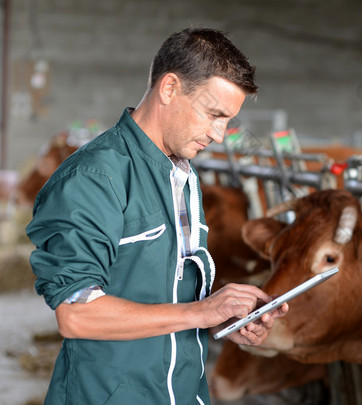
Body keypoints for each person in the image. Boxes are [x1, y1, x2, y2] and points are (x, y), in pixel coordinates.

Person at [26, 26, 288, 405]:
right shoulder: (95, 178)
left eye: (228, 120)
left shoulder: (183, 176)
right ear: (169, 89)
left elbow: (167, 294)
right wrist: (200, 312)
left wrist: (226, 318)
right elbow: (76, 315)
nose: (219, 134)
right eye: (214, 114)